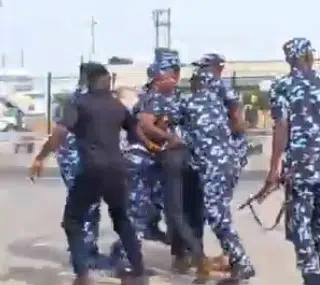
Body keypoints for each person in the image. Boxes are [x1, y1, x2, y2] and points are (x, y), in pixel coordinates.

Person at [253, 38, 320, 285]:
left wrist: (273, 168)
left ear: (290, 59)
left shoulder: (283, 86)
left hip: (299, 170)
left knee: (301, 228)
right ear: (309, 56)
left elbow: (282, 126)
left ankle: (312, 279)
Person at [30, 63, 151, 285]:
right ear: (106, 81)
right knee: (122, 219)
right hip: (117, 170)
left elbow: (59, 133)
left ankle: (83, 275)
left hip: (92, 171)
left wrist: (40, 157)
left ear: (87, 80)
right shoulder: (117, 106)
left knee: (72, 221)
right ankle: (139, 271)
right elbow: (137, 132)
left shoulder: (79, 103)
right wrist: (154, 148)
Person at [168, 67, 256, 284]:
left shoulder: (189, 103)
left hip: (213, 167)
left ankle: (242, 262)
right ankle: (236, 260)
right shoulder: (218, 104)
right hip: (229, 164)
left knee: (217, 217)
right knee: (219, 214)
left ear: (196, 85)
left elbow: (168, 121)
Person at [138, 49, 214, 282]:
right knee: (191, 211)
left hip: (172, 159)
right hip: (190, 159)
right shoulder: (179, 98)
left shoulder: (154, 96)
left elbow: (145, 125)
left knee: (176, 212)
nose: (166, 78)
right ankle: (185, 255)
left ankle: (199, 259)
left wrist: (166, 140)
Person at [41, 62, 105, 269]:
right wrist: (41, 156)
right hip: (79, 161)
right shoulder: (82, 100)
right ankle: (84, 255)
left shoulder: (77, 99)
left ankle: (86, 251)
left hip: (79, 159)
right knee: (87, 207)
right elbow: (60, 133)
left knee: (85, 206)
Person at [109, 64, 168, 274]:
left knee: (142, 209)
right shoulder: (154, 99)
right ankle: (125, 261)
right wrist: (164, 139)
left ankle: (120, 251)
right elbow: (144, 126)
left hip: (139, 159)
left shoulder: (146, 97)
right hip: (139, 160)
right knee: (138, 213)